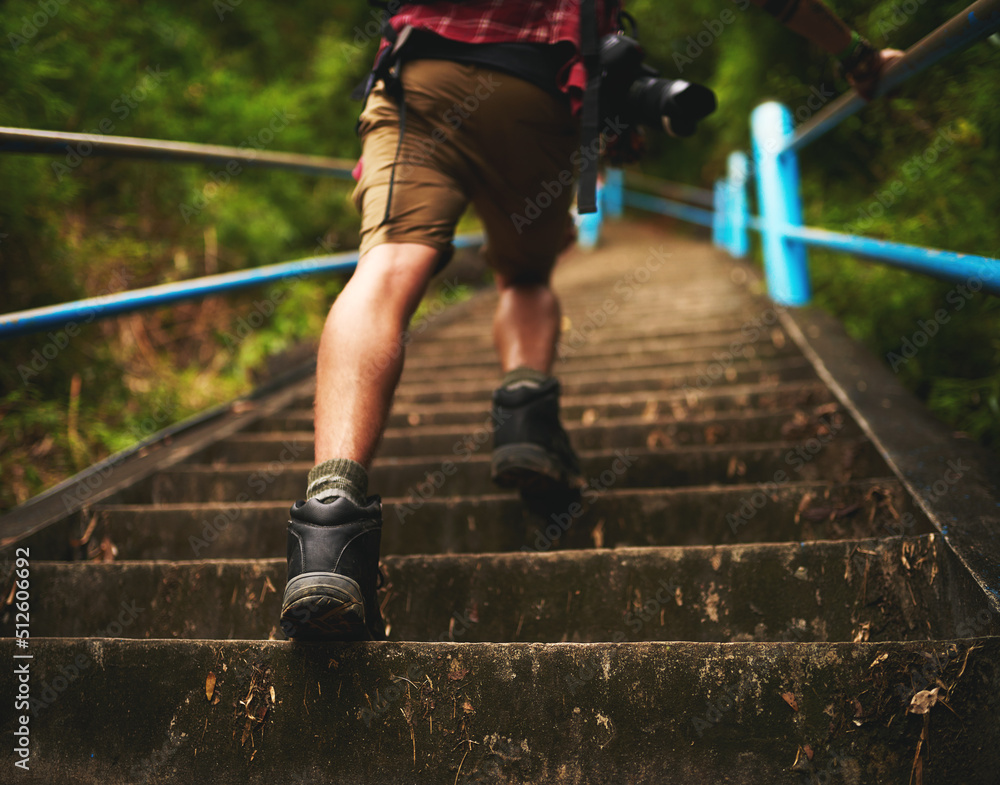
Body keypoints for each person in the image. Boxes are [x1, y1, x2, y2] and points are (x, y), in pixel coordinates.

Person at [279, 0, 902, 642]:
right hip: (538, 93)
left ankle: (329, 529)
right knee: (524, 276)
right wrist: (855, 53)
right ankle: (525, 414)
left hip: (425, 74)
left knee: (385, 271)